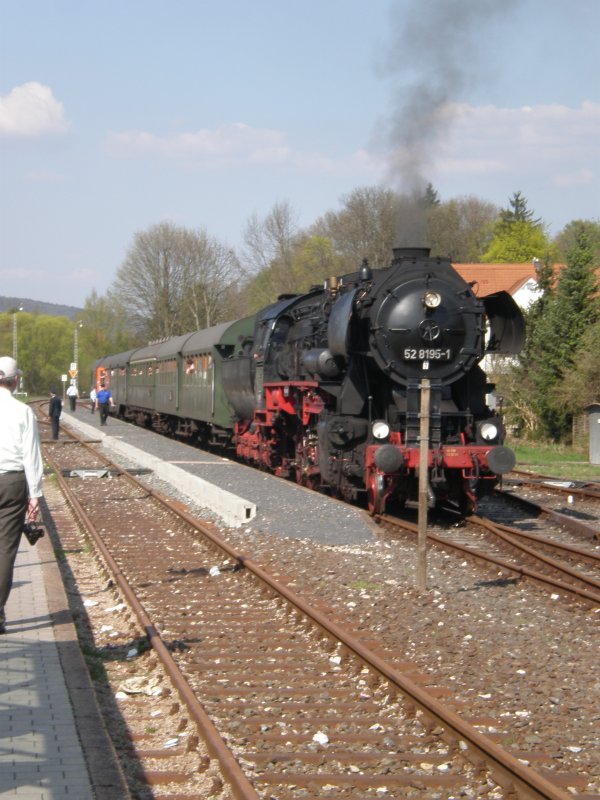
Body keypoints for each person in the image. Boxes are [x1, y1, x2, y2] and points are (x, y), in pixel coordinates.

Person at [0, 356, 44, 634]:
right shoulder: (23, 412)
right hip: (13, 483)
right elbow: (31, 455)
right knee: (5, 550)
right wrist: (35, 494)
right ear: (15, 381)